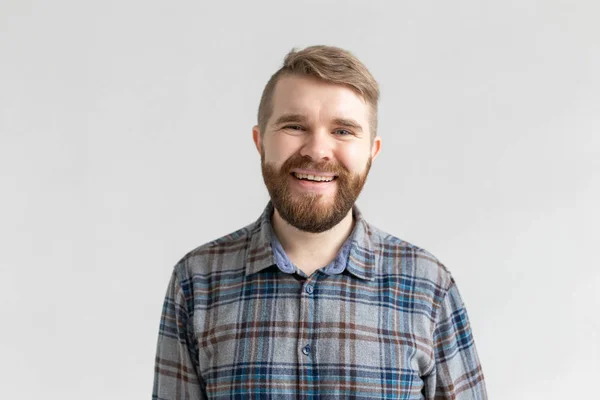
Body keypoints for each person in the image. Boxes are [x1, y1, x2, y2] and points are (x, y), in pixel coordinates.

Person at [152, 45, 487, 399]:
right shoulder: (196, 281)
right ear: (260, 141)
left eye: (343, 131)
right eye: (295, 125)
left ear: (371, 152)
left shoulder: (428, 286)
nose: (317, 150)